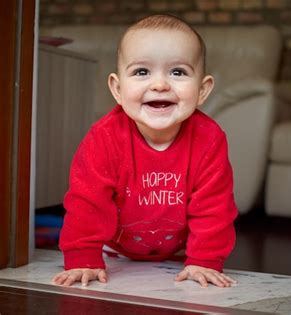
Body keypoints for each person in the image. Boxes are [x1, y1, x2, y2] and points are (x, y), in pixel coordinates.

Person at [52, 14, 238, 288]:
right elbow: (87, 202)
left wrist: (204, 259)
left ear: (202, 90)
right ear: (117, 89)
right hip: (114, 248)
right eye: (142, 72)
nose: (160, 84)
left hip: (180, 250)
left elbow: (214, 206)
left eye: (178, 72)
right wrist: (83, 257)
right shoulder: (104, 138)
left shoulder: (208, 139)